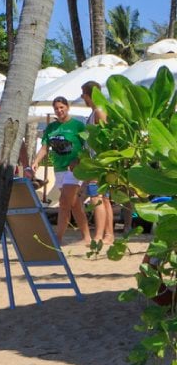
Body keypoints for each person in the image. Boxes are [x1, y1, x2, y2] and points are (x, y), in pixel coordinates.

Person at [41, 96, 92, 246]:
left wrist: (79, 161)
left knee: (63, 202)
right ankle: (87, 236)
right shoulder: (51, 127)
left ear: (67, 107)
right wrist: (35, 162)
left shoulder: (77, 125)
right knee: (74, 204)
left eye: (61, 107)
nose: (59, 110)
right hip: (59, 169)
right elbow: (45, 147)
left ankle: (57, 238)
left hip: (74, 169)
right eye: (56, 108)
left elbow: (88, 146)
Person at [82, 81, 117, 251]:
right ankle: (108, 234)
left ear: (89, 95)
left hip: (99, 162)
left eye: (83, 94)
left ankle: (100, 235)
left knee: (97, 198)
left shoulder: (99, 111)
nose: (82, 98)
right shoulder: (94, 112)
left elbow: (107, 137)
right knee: (104, 199)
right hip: (97, 161)